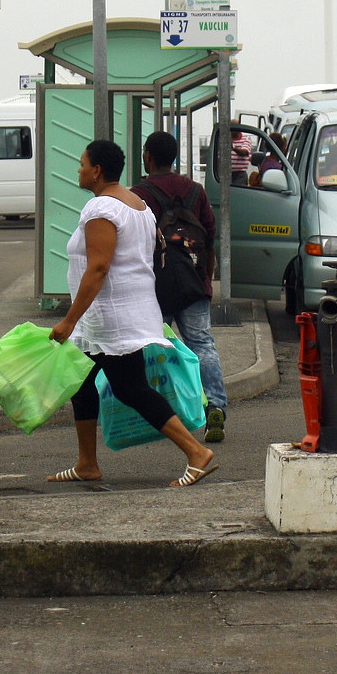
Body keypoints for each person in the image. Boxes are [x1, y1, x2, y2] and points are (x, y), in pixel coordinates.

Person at [47, 140, 216, 488]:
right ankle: (87, 463)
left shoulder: (101, 209)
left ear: (96, 171)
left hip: (111, 319)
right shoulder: (138, 205)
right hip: (124, 313)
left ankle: (196, 453)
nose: (78, 170)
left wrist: (69, 319)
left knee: (131, 388)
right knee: (81, 383)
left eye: (82, 164)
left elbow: (98, 268)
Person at [132, 130, 230, 443]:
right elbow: (210, 238)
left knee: (153, 348)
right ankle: (215, 404)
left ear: (147, 156)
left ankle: (160, 415)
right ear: (173, 157)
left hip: (154, 286)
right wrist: (206, 280)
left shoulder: (139, 195)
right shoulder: (195, 191)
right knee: (201, 344)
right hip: (193, 282)